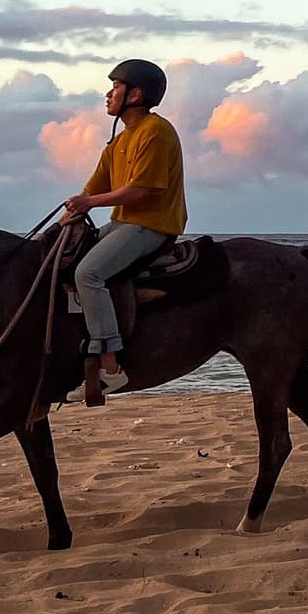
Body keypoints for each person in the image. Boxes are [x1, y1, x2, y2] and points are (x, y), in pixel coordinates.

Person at [63, 59, 187, 393]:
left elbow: (142, 190)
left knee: (88, 274)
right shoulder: (119, 141)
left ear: (136, 94)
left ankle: (110, 367)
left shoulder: (156, 132)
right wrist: (69, 217)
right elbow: (93, 188)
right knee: (63, 260)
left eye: (116, 87)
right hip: (123, 223)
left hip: (152, 225)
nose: (109, 93)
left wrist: (89, 204)